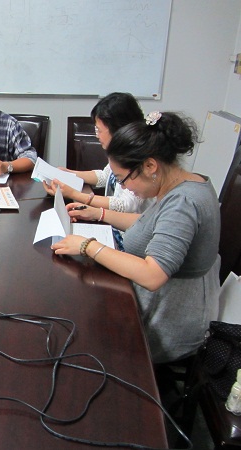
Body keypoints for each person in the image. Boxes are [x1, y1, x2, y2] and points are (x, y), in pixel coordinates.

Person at [51, 111, 221, 364]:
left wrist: (87, 245)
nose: (124, 188)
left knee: (77, 329)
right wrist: (98, 213)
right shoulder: (186, 183)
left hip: (167, 321)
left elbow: (152, 275)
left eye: (123, 179)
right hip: (163, 304)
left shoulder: (183, 202)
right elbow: (150, 224)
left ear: (150, 166)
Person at [43, 92, 150, 249]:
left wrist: (75, 194)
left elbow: (125, 205)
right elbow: (105, 176)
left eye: (99, 130)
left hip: (127, 239)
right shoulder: (119, 152)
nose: (97, 135)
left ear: (117, 129)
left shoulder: (138, 156)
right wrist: (70, 173)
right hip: (113, 227)